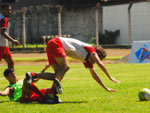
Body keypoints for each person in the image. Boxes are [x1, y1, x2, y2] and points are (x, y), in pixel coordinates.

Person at [38, 37, 120, 93]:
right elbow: (99, 62)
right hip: (56, 43)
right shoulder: (90, 49)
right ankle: (54, 88)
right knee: (65, 67)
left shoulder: (87, 60)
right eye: (97, 59)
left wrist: (105, 88)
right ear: (97, 55)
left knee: (58, 74)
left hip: (51, 45)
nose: (94, 62)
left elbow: (95, 76)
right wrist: (110, 77)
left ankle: (33, 76)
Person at [0, 4, 20, 69]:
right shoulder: (4, 19)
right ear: (2, 10)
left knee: (10, 62)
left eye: (10, 10)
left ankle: (12, 78)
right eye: (7, 10)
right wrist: (13, 40)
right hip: (1, 45)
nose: (10, 12)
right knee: (10, 63)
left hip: (4, 45)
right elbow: (2, 32)